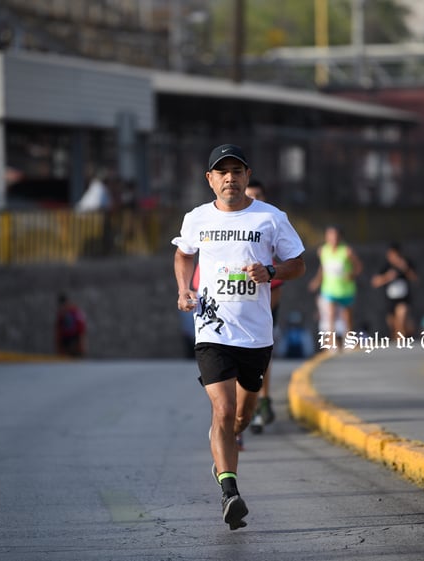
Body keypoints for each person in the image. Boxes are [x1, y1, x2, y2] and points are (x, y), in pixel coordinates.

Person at [173, 144, 305, 531]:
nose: (229, 178)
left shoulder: (271, 217)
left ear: (247, 176)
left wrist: (270, 270)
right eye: (222, 172)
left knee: (242, 417)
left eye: (236, 170)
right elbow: (183, 254)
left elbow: (298, 265)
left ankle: (224, 455)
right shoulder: (196, 218)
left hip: (256, 336)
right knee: (223, 411)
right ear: (210, 179)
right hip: (212, 329)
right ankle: (230, 492)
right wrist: (183, 289)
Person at [245, 179, 282, 435]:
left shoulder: (273, 222)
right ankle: (250, 404)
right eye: (250, 196)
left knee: (262, 352)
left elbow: (288, 261)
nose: (254, 200)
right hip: (238, 301)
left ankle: (263, 401)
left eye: (259, 195)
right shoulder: (234, 221)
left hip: (268, 295)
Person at [307, 226, 363, 344]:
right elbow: (323, 268)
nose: (333, 239)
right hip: (329, 288)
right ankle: (332, 342)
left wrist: (352, 275)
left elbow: (358, 267)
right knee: (330, 315)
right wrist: (317, 281)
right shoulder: (322, 251)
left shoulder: (347, 251)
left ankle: (348, 339)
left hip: (345, 289)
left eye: (335, 236)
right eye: (330, 236)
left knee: (347, 317)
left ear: (340, 237)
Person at [371, 242, 418, 337]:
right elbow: (375, 282)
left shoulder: (406, 263)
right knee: (393, 325)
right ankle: (403, 336)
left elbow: (415, 278)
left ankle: (403, 342)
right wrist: (387, 277)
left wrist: (405, 268)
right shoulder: (386, 266)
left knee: (401, 319)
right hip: (390, 300)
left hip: (403, 298)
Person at [55, 292, 87, 357]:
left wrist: (81, 340)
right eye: (61, 304)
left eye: (64, 304)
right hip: (65, 339)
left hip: (74, 338)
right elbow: (59, 329)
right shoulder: (61, 314)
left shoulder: (74, 311)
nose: (63, 306)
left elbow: (81, 326)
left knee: (75, 355)